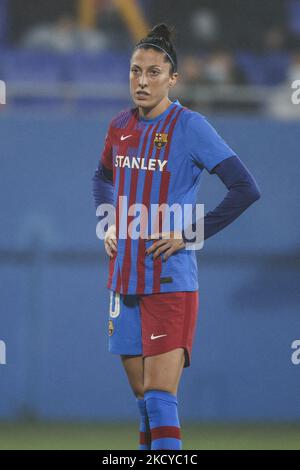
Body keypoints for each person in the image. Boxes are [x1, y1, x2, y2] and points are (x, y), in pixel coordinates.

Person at [92, 23, 261, 450]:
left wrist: (190, 233)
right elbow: (102, 177)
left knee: (160, 395)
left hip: (170, 280)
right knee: (143, 399)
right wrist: (107, 221)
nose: (142, 81)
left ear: (172, 78)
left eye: (152, 72)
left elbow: (245, 188)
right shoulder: (120, 127)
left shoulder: (191, 126)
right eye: (135, 71)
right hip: (123, 278)